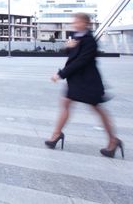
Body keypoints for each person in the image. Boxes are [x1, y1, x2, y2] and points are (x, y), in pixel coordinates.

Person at [46, 12, 123, 158]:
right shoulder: (77, 36)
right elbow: (72, 55)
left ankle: (113, 140)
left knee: (97, 109)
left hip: (88, 82)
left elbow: (80, 61)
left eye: (77, 21)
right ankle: (56, 134)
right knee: (66, 103)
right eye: (74, 21)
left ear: (86, 23)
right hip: (77, 80)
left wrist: (61, 74)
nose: (74, 24)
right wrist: (68, 47)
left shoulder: (89, 40)